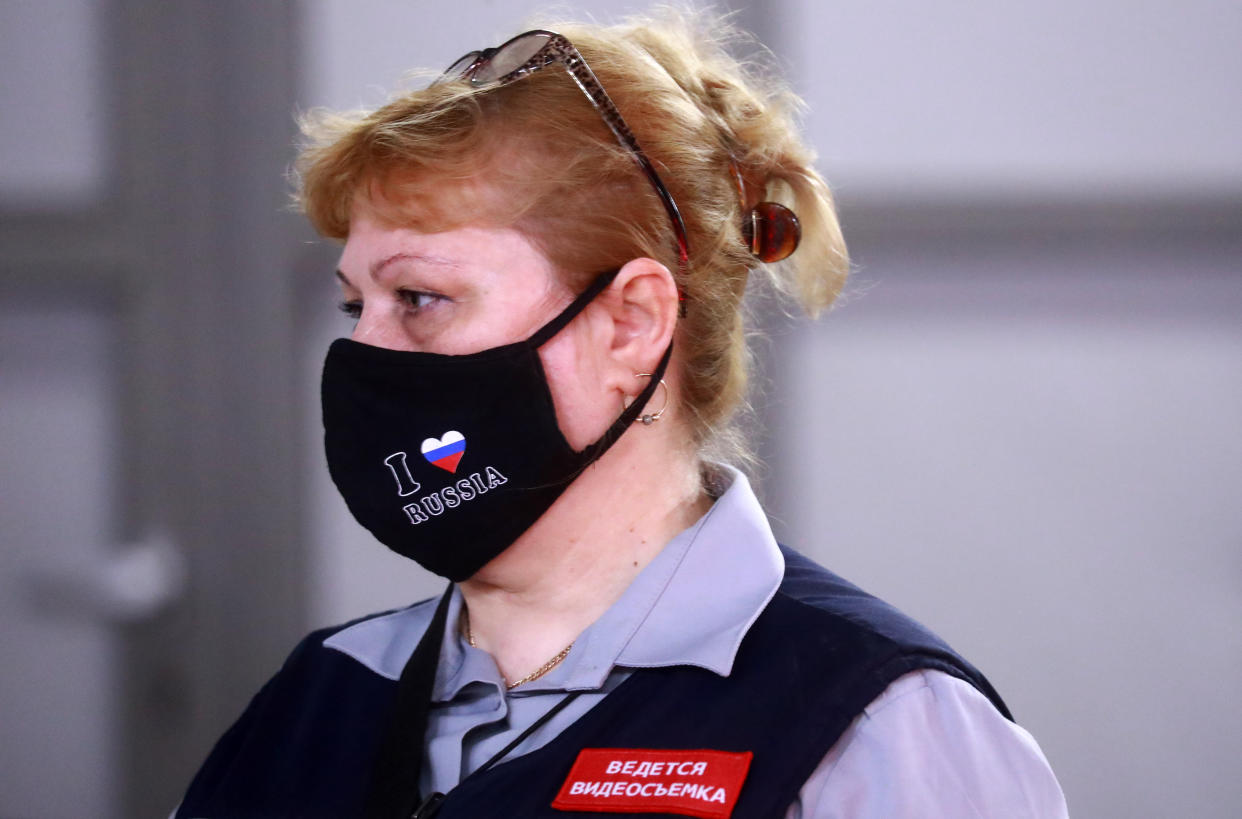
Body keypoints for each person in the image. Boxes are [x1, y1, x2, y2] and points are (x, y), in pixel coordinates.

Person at [176, 9, 1067, 818]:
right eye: (353, 306)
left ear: (630, 323)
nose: (367, 354)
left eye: (420, 297)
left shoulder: (870, 722)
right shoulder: (319, 698)